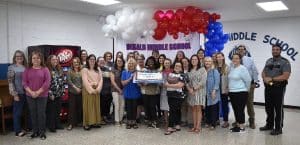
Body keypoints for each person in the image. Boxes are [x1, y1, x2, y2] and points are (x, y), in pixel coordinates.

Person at [259, 44, 291, 135]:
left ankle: (278, 128)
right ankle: (269, 125)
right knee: (268, 107)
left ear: (280, 51)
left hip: (279, 87)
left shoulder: (285, 62)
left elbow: (286, 76)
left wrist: (272, 79)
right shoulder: (268, 61)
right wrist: (265, 78)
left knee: (278, 108)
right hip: (268, 87)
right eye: (273, 49)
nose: (275, 51)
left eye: (277, 49)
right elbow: (263, 72)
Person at [22, 51, 51, 140]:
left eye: (38, 58)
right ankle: (35, 132)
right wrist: (31, 92)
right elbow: (24, 83)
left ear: (41, 59)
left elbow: (47, 83)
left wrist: (38, 92)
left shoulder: (45, 69)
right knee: (33, 114)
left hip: (42, 95)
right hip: (30, 95)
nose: (36, 60)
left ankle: (42, 132)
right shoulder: (27, 70)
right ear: (31, 59)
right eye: (34, 58)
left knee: (41, 114)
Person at [237, 45, 259, 129]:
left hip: (249, 85)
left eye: (242, 49)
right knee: (239, 104)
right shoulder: (234, 60)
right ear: (237, 51)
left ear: (245, 51)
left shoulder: (250, 60)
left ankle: (252, 121)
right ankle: (239, 120)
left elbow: (255, 71)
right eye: (239, 49)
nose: (241, 51)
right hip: (237, 85)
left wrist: (255, 82)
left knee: (249, 103)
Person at [228, 54, 251, 132]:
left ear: (240, 60)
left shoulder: (243, 68)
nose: (235, 60)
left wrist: (246, 90)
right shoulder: (232, 68)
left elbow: (248, 80)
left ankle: (242, 127)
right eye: (233, 58)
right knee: (235, 110)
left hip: (241, 92)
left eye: (237, 58)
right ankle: (237, 125)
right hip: (232, 92)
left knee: (240, 110)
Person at [7, 50, 28, 137]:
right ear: (15, 58)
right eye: (17, 56)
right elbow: (10, 82)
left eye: (21, 56)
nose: (19, 57)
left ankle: (28, 128)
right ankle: (17, 131)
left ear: (23, 58)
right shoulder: (12, 67)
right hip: (18, 93)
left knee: (27, 112)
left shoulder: (26, 67)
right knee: (17, 113)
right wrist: (14, 94)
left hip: (27, 93)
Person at [164, 61, 187, 135]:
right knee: (176, 110)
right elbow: (165, 83)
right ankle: (177, 125)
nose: (177, 67)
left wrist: (170, 85)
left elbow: (180, 85)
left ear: (182, 67)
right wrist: (174, 84)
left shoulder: (183, 75)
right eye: (176, 66)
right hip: (170, 95)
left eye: (179, 66)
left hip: (179, 96)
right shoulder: (170, 74)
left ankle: (170, 127)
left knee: (172, 110)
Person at [81, 54, 103, 130]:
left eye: (93, 59)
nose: (92, 61)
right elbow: (85, 81)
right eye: (91, 59)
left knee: (96, 106)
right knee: (88, 107)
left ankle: (95, 122)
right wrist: (91, 90)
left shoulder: (98, 69)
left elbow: (101, 80)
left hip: (96, 90)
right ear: (87, 60)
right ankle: (86, 123)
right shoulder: (84, 69)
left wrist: (98, 89)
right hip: (88, 91)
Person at [186, 55, 207, 133]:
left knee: (198, 109)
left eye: (195, 59)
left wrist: (194, 89)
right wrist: (189, 89)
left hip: (199, 91)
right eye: (192, 59)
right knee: (193, 109)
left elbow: (203, 81)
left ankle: (198, 127)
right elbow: (187, 82)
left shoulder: (202, 69)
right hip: (191, 92)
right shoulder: (190, 70)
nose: (194, 60)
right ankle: (194, 126)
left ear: (198, 60)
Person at [46, 55, 65, 132]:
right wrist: (50, 94)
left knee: (58, 110)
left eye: (56, 60)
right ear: (49, 61)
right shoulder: (47, 70)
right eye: (53, 60)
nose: (55, 61)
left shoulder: (59, 68)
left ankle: (58, 124)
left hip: (59, 93)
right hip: (52, 94)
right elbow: (46, 84)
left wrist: (62, 92)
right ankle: (52, 126)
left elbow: (62, 81)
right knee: (52, 111)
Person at [121, 58, 141, 129]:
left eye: (132, 63)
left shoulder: (138, 72)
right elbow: (123, 83)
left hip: (136, 93)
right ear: (127, 64)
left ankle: (134, 122)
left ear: (135, 65)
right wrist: (130, 78)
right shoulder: (124, 72)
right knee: (128, 108)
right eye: (129, 63)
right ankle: (128, 122)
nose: (131, 64)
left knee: (134, 108)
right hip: (127, 93)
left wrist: (138, 81)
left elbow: (140, 85)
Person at [142, 56, 160, 128]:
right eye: (149, 61)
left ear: (154, 62)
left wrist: (155, 81)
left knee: (152, 107)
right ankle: (149, 121)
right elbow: (140, 81)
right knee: (146, 107)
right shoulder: (143, 70)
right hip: (145, 92)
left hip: (154, 92)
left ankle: (154, 121)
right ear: (147, 62)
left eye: (152, 61)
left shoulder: (157, 71)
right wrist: (143, 83)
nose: (150, 63)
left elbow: (159, 82)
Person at [204, 57, 220, 130]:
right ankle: (208, 121)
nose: (207, 63)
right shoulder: (203, 71)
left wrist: (214, 91)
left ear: (212, 62)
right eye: (206, 61)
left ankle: (213, 124)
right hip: (205, 92)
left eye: (209, 61)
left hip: (213, 92)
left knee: (213, 108)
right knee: (207, 108)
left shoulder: (215, 71)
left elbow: (217, 82)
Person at [67, 57, 83, 130]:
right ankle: (71, 124)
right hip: (72, 92)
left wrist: (81, 88)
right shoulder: (69, 71)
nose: (76, 63)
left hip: (81, 91)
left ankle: (78, 122)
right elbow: (69, 81)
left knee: (79, 107)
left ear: (79, 63)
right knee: (72, 108)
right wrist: (76, 88)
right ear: (72, 64)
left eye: (77, 62)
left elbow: (84, 80)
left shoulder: (82, 71)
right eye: (74, 62)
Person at [216, 52, 230, 128]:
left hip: (224, 89)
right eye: (217, 57)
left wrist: (228, 88)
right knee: (216, 105)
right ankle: (216, 119)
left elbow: (229, 79)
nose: (218, 58)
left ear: (223, 57)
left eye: (220, 57)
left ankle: (226, 121)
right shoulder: (214, 67)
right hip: (216, 90)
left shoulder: (227, 67)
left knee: (224, 105)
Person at [97, 56, 113, 123]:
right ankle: (101, 118)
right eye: (100, 61)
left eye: (103, 61)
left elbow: (111, 79)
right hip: (100, 91)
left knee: (107, 105)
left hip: (108, 91)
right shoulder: (96, 70)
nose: (102, 62)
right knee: (101, 106)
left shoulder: (108, 69)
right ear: (97, 62)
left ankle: (105, 117)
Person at [110, 57, 125, 126]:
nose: (119, 62)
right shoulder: (113, 70)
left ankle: (121, 119)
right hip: (115, 90)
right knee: (117, 105)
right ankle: (116, 121)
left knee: (122, 105)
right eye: (118, 61)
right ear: (116, 62)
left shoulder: (124, 70)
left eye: (121, 61)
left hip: (123, 90)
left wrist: (122, 90)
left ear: (123, 62)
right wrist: (119, 89)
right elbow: (112, 81)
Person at [160, 58, 173, 130]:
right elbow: (159, 83)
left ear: (170, 63)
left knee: (171, 107)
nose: (167, 64)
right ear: (163, 64)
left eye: (168, 63)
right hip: (164, 92)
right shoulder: (161, 72)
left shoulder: (173, 71)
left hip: (172, 91)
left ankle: (171, 122)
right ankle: (166, 122)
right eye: (166, 63)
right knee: (165, 108)